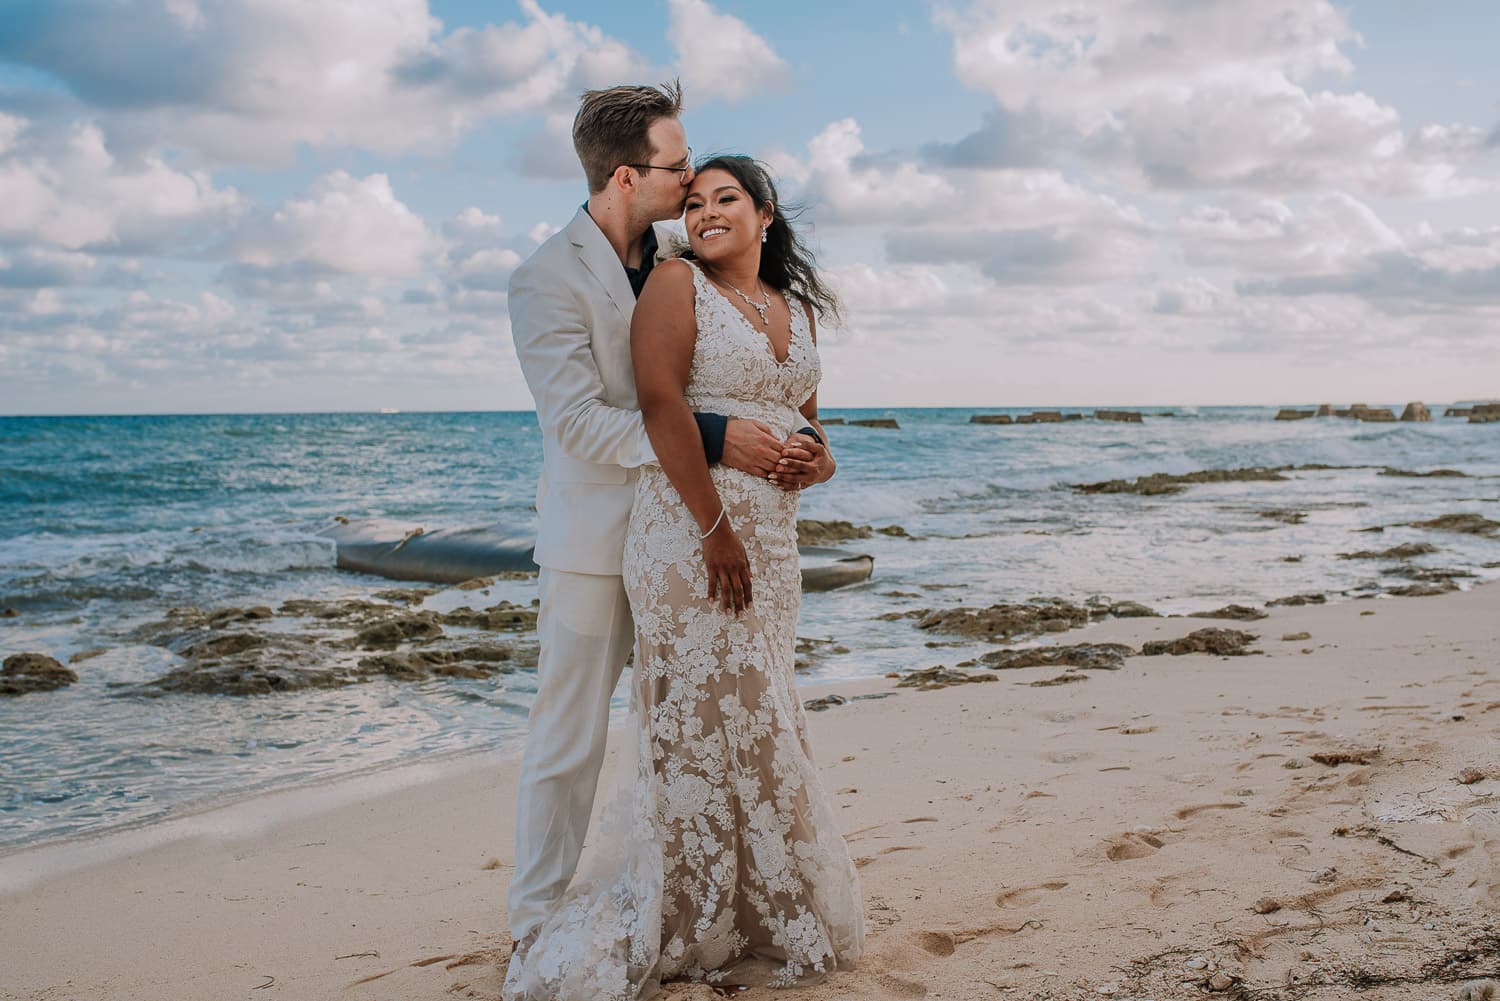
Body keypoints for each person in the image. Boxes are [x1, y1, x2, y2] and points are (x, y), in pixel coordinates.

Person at [503, 155, 863, 999]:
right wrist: (715, 529)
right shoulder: (673, 281)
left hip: (776, 544)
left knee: (763, 712)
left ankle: (752, 905)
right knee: (687, 724)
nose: (702, 210)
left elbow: (811, 424)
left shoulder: (795, 307)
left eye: (723, 198)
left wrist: (817, 461)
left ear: (766, 213)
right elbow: (660, 403)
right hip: (693, 536)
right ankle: (663, 907)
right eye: (691, 196)